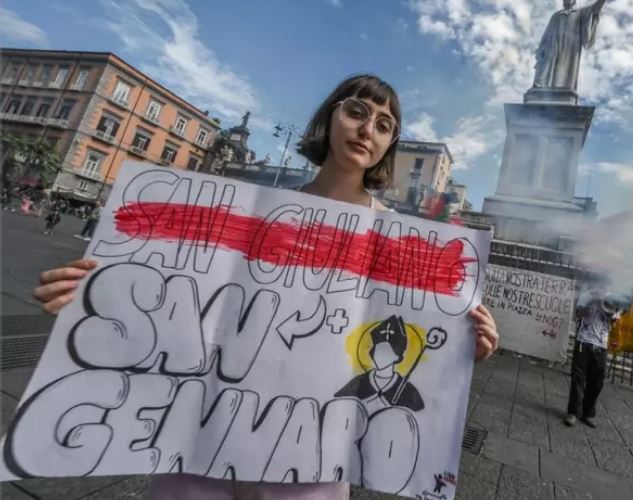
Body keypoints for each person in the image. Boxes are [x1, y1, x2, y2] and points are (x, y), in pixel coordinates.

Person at [33, 74, 500, 500]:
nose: (366, 129)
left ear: (388, 144)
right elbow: (178, 299)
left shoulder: (397, 238)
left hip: (310, 462)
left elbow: (411, 347)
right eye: (356, 111)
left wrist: (461, 348)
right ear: (330, 117)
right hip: (200, 441)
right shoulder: (255, 209)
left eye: (384, 125)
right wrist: (92, 296)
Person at [564, 290, 621, 428]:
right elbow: (578, 314)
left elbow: (613, 322)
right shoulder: (586, 295)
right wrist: (592, 302)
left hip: (601, 344)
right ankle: (573, 413)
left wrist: (606, 308)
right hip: (584, 341)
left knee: (597, 382)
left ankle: (588, 413)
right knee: (578, 378)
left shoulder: (613, 298)